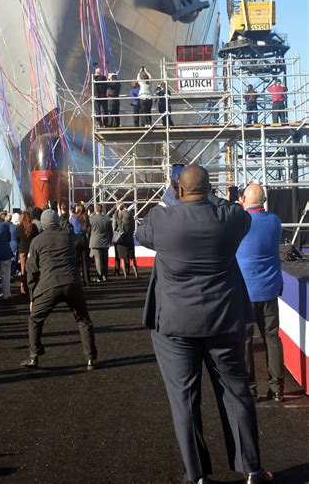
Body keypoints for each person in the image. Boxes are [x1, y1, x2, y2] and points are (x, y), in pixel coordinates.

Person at [137, 165, 273, 484]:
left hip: (173, 324)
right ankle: (252, 470)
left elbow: (141, 234)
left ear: (179, 190)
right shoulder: (231, 219)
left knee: (184, 398)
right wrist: (213, 196)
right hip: (223, 319)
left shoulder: (161, 219)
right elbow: (239, 212)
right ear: (210, 189)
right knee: (236, 392)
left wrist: (171, 198)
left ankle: (197, 476)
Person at [22, 209, 98, 370]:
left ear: (43, 224)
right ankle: (91, 358)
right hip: (72, 283)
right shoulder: (68, 236)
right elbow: (70, 226)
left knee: (35, 319)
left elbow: (32, 271)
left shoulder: (37, 241)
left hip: (48, 285)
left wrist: (32, 297)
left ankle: (34, 355)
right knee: (83, 320)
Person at [237, 183, 285, 402]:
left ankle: (251, 388)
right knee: (272, 338)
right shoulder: (275, 221)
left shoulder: (240, 223)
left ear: (245, 199)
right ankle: (277, 388)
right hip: (270, 290)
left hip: (245, 292)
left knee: (245, 341)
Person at [88, 203, 113, 283]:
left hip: (95, 242)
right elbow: (111, 232)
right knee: (105, 259)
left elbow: (89, 232)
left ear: (95, 209)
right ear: (102, 209)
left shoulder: (91, 219)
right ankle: (105, 275)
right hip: (105, 242)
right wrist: (109, 240)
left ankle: (99, 276)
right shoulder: (107, 219)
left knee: (98, 260)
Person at [16, 210, 39, 295]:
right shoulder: (34, 226)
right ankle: (32, 286)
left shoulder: (19, 227)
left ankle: (23, 287)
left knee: (23, 270)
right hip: (31, 250)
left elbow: (17, 238)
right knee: (32, 269)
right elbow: (37, 237)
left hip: (22, 250)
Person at [69, 204, 91, 287]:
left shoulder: (74, 218)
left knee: (76, 262)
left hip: (75, 239)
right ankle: (87, 281)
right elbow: (88, 230)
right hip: (84, 239)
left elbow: (70, 226)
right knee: (85, 262)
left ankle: (78, 281)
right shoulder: (86, 218)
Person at [115, 204, 138, 278]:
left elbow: (116, 219)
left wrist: (117, 210)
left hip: (122, 241)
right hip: (130, 240)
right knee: (133, 258)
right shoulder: (131, 222)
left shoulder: (122, 223)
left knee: (122, 258)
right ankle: (136, 274)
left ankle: (125, 275)